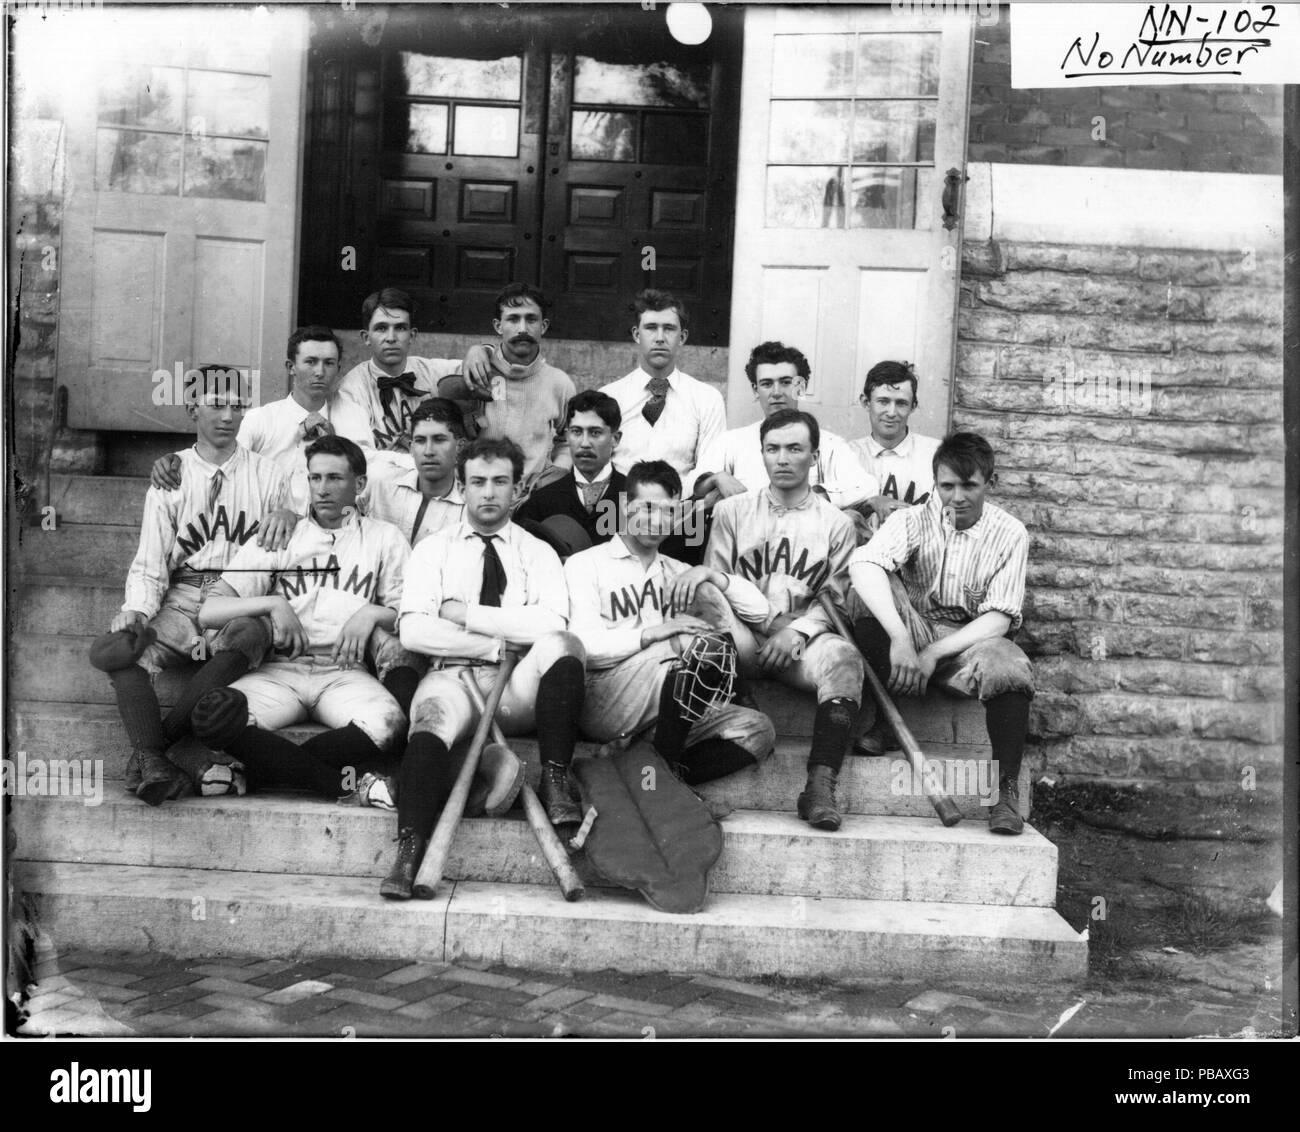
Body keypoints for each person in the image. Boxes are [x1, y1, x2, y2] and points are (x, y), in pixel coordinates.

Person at [384, 437, 588, 900]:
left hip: (516, 687)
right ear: (463, 485)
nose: (489, 493)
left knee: (564, 644)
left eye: (500, 482)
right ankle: (410, 847)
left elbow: (551, 622)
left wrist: (466, 615)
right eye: (478, 482)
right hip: (452, 676)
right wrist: (496, 643)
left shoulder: (538, 552)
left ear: (518, 489)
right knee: (432, 720)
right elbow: (415, 631)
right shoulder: (433, 550)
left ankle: (555, 777)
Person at [87, 377, 292, 805]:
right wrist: (138, 611)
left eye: (237, 406)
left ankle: (152, 752)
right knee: (122, 650)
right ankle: (163, 754)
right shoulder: (171, 476)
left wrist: (290, 514)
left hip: (239, 594)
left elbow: (285, 545)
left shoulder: (270, 474)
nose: (227, 416)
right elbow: (151, 559)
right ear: (191, 411)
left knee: (250, 634)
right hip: (182, 595)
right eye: (216, 404)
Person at [188, 435, 411, 811]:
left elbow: (411, 615)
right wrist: (274, 603)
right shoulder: (281, 533)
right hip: (279, 669)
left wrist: (371, 612)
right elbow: (209, 611)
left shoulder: (384, 538)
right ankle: (345, 786)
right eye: (315, 478)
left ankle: (255, 774)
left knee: (390, 724)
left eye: (335, 478)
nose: (322, 489)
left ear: (359, 484)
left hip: (343, 672)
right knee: (217, 714)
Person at [848, 432, 1034, 835]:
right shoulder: (913, 518)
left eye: (969, 485)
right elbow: (864, 566)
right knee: (863, 596)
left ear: (991, 483)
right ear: (936, 483)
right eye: (947, 485)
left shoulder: (1010, 533)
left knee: (1011, 668)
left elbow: (1000, 618)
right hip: (913, 631)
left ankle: (1004, 794)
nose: (957, 497)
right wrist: (900, 638)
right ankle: (887, 719)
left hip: (967, 640)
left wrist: (934, 653)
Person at [565, 460, 775, 783]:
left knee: (758, 730)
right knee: (693, 646)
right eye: (647, 507)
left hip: (669, 705)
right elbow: (585, 648)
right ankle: (658, 776)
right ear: (624, 506)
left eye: (668, 511)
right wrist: (656, 634)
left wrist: (710, 574)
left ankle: (660, 774)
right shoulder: (587, 565)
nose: (657, 520)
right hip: (606, 697)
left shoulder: (677, 570)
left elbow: (760, 611)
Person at [704, 409, 864, 832]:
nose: (783, 458)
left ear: (815, 455)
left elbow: (838, 601)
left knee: (845, 659)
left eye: (795, 448)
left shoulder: (838, 523)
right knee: (704, 590)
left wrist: (798, 630)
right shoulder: (732, 512)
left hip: (802, 644)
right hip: (742, 639)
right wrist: (772, 624)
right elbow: (715, 587)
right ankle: (736, 698)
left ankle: (820, 784)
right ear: (761, 454)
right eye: (773, 449)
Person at [148, 327, 373, 511]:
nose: (320, 372)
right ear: (291, 368)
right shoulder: (261, 419)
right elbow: (222, 462)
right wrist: (175, 460)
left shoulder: (354, 418)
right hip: (268, 533)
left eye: (329, 363)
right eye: (311, 362)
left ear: (339, 369)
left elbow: (367, 484)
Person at [694, 340, 877, 510]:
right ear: (755, 390)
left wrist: (809, 496)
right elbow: (690, 486)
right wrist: (718, 478)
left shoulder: (828, 443)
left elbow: (866, 485)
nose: (776, 392)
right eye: (766, 384)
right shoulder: (732, 442)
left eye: (785, 382)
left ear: (801, 387)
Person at [436, 282, 575, 500]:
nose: (522, 328)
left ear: (544, 326)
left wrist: (558, 472)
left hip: (530, 499)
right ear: (498, 326)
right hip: (475, 496)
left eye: (531, 319)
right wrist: (478, 349)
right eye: (513, 319)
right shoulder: (475, 370)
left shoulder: (560, 383)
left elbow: (568, 439)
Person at [334, 287, 491, 478]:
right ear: (366, 338)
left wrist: (481, 349)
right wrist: (422, 462)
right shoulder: (351, 389)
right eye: (381, 328)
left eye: (400, 328)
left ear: (412, 335)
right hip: (385, 487)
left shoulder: (430, 371)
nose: (391, 338)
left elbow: (481, 367)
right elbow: (358, 456)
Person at [601, 288, 724, 498]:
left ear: (682, 337)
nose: (659, 338)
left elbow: (708, 469)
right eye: (650, 328)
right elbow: (600, 464)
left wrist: (665, 501)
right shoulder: (609, 397)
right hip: (619, 509)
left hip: (679, 510)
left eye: (668, 328)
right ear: (636, 335)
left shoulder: (707, 399)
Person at [514, 389, 626, 557]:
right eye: (576, 432)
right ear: (567, 436)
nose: (585, 443)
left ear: (615, 439)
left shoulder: (637, 499)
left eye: (595, 432)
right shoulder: (540, 502)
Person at [358, 397, 466, 546]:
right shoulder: (380, 481)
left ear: (460, 446)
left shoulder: (470, 506)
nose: (429, 451)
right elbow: (341, 510)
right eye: (420, 441)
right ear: (411, 448)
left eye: (439, 440)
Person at [849, 360, 942, 522]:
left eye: (901, 403)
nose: (891, 412)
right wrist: (870, 503)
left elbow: (953, 514)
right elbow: (827, 513)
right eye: (883, 401)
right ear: (866, 402)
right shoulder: (847, 454)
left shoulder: (936, 453)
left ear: (913, 406)